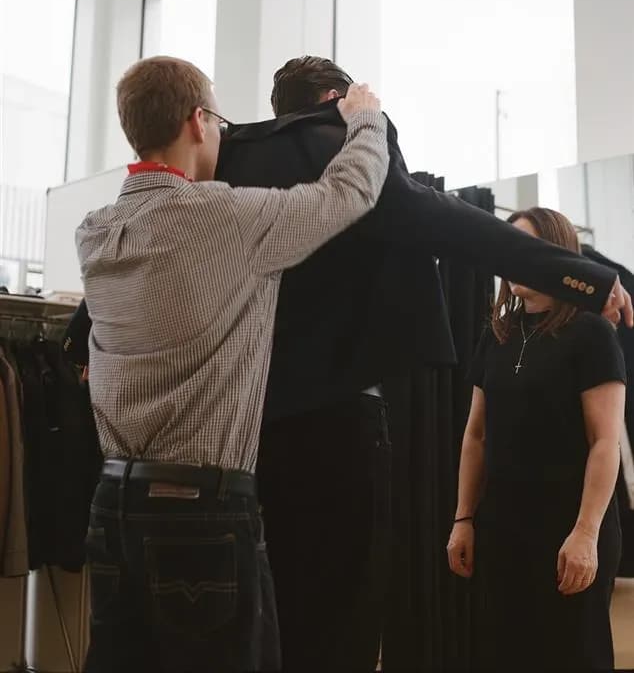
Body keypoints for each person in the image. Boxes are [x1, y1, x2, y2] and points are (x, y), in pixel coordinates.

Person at [66, 57, 633, 672]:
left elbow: (116, 294)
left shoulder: (161, 195)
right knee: (334, 627)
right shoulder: (332, 142)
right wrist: (581, 278)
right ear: (336, 99)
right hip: (331, 437)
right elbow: (441, 222)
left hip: (211, 457)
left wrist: (82, 337)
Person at [76, 55, 389, 673]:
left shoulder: (97, 232)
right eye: (217, 119)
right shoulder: (227, 218)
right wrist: (366, 120)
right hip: (203, 513)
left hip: (111, 505)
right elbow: (348, 194)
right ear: (197, 121)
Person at [447, 207, 626, 671]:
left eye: (524, 248)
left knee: (572, 653)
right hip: (502, 527)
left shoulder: (591, 334)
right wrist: (464, 517)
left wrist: (586, 533)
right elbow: (477, 435)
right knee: (503, 652)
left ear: (554, 256)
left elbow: (604, 442)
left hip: (570, 527)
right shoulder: (498, 334)